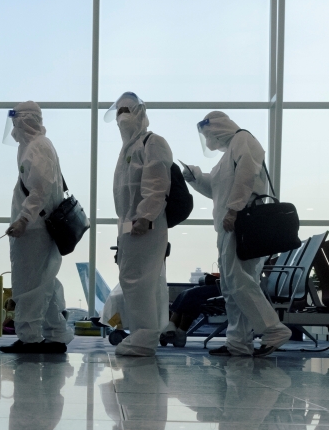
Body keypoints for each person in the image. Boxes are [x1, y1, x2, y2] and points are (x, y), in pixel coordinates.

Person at [183, 111, 292, 357]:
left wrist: (233, 211)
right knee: (231, 285)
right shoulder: (228, 154)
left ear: (216, 127)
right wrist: (195, 177)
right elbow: (216, 189)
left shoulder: (244, 140)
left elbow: (246, 178)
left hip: (241, 223)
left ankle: (273, 329)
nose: (208, 140)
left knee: (238, 281)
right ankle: (238, 342)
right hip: (230, 225)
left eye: (208, 133)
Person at [0, 101, 75, 354]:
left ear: (24, 120)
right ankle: (57, 334)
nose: (12, 127)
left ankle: (30, 338)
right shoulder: (32, 147)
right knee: (44, 284)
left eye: (15, 121)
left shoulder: (38, 147)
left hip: (34, 228)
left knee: (28, 284)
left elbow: (40, 189)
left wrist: (23, 220)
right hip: (35, 226)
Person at [108, 92, 171, 357]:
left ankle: (144, 337)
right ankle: (143, 334)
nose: (122, 117)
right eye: (119, 111)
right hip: (129, 227)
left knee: (139, 282)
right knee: (134, 280)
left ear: (140, 113)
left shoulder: (152, 142)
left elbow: (157, 184)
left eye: (127, 110)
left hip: (146, 225)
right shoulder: (127, 150)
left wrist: (145, 216)